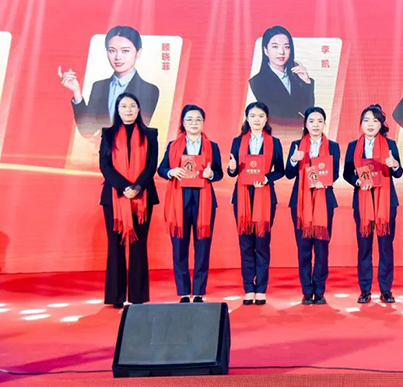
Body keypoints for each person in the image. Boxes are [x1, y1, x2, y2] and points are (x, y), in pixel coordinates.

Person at [158, 104, 224, 303]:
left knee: (202, 247)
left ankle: (199, 291)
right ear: (183, 123)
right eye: (189, 119)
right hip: (179, 201)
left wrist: (211, 174)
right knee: (179, 247)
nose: (194, 123)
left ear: (203, 123)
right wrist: (171, 172)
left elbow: (219, 173)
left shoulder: (212, 146)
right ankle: (184, 291)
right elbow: (161, 169)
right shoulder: (173, 145)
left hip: (204, 201)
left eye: (198, 119)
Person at [98, 92, 159, 308]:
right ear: (117, 110)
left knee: (138, 246)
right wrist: (125, 187)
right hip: (114, 196)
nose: (128, 110)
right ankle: (116, 297)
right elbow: (105, 166)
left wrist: (137, 187)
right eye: (123, 106)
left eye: (132, 106)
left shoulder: (150, 134)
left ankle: (137, 296)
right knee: (115, 246)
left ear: (139, 109)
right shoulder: (108, 134)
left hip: (143, 196)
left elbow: (151, 165)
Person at [343, 104, 403, 304]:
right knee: (364, 248)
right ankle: (365, 290)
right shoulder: (353, 146)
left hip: (386, 202)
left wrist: (394, 164)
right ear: (361, 123)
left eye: (375, 120)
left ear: (381, 124)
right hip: (362, 201)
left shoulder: (390, 144)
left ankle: (386, 290)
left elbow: (399, 173)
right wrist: (357, 181)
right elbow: (347, 173)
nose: (370, 124)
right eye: (366, 120)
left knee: (386, 247)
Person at [227, 102, 284, 305]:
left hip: (265, 197)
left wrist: (267, 178)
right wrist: (232, 168)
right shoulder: (237, 141)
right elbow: (232, 172)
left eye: (261, 116)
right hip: (242, 197)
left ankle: (261, 288)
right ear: (247, 118)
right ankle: (248, 288)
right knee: (245, 244)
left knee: (262, 244)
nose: (257, 120)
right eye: (253, 116)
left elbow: (280, 170)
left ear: (266, 118)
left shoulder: (274, 142)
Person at [59, 25, 160, 138]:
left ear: (138, 53)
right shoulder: (99, 86)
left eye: (125, 51)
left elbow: (137, 130)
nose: (118, 57)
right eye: (112, 51)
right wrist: (77, 92)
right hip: (102, 148)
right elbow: (87, 130)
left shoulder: (149, 90)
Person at [285, 107, 340, 305]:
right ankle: (307, 291)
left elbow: (335, 173)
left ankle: (319, 290)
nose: (315, 125)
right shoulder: (296, 145)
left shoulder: (333, 146)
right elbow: (289, 173)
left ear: (324, 123)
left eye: (319, 121)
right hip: (300, 203)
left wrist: (324, 181)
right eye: (311, 121)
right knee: (304, 248)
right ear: (305, 124)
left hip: (324, 201)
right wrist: (294, 159)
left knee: (322, 249)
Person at [248, 26, 314, 128]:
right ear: (265, 50)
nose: (281, 52)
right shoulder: (258, 82)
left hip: (301, 133)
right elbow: (279, 114)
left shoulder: (297, 77)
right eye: (275, 47)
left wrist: (306, 82)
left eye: (286, 47)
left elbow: (309, 111)